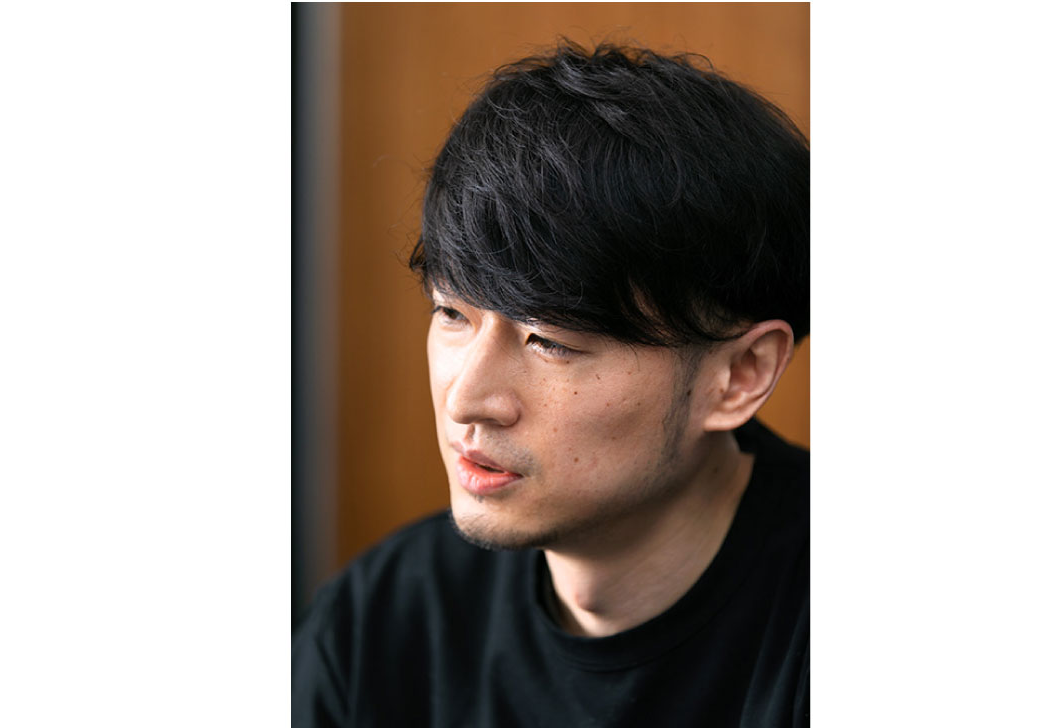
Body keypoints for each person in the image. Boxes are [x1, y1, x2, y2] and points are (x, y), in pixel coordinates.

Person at [293, 40, 809, 727]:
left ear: (739, 375)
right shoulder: (381, 624)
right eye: (452, 313)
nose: (466, 399)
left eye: (550, 341)